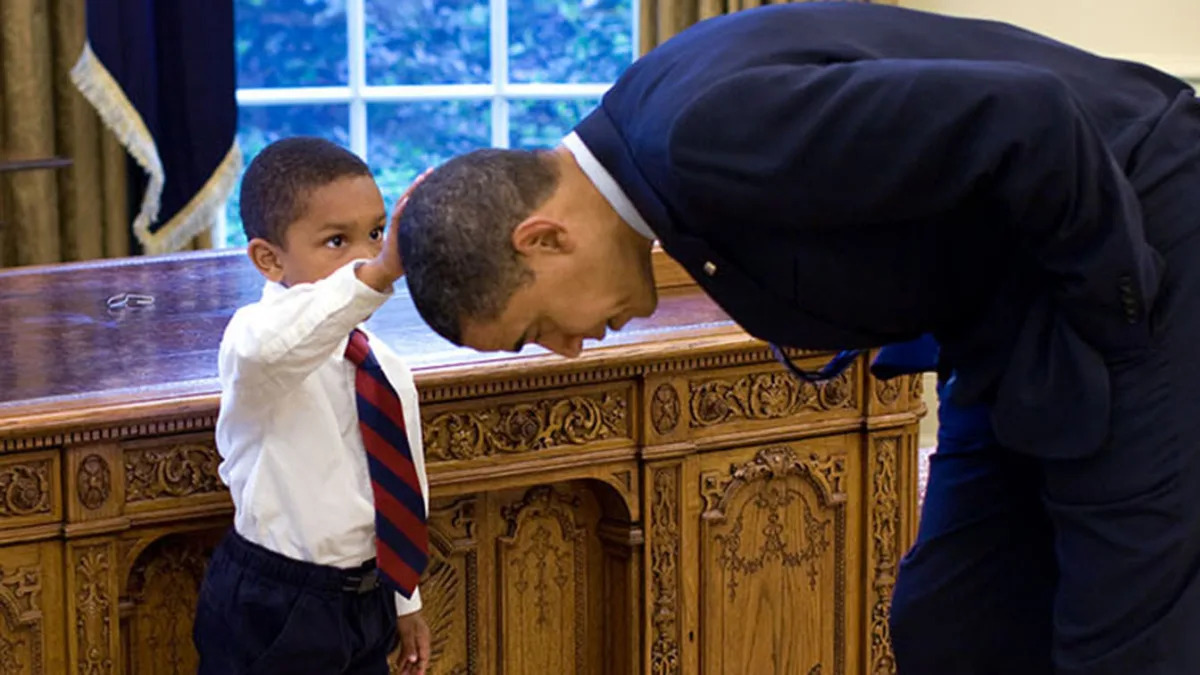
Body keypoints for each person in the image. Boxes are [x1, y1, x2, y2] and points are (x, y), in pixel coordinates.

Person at [394, 3, 1200, 674]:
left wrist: (1123, 327)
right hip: (1012, 308)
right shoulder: (648, 134)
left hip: (1136, 235)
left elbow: (1035, 120)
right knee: (952, 621)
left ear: (542, 239)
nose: (566, 348)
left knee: (1125, 630)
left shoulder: (700, 135)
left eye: (536, 329)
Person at [194, 137, 432, 675]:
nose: (365, 255)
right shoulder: (254, 344)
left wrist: (405, 599)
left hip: (368, 594)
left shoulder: (384, 365)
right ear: (268, 258)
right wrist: (377, 276)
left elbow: (399, 486)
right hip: (277, 601)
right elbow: (282, 342)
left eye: (375, 234)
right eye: (335, 241)